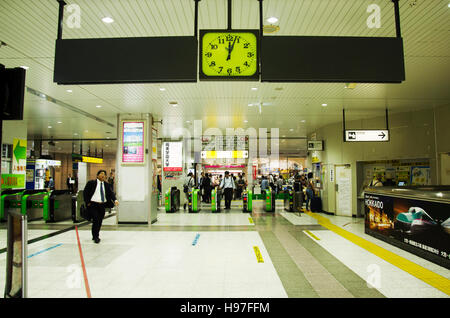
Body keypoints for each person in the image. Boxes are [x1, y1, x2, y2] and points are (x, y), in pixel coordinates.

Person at [83, 170, 119, 244]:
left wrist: (115, 200)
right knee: (96, 219)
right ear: (97, 175)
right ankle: (96, 236)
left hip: (102, 205)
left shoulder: (106, 185)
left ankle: (95, 234)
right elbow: (85, 193)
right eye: (101, 174)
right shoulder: (91, 183)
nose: (103, 175)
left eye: (104, 174)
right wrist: (88, 202)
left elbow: (111, 193)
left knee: (99, 221)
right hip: (93, 204)